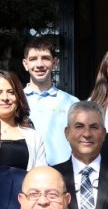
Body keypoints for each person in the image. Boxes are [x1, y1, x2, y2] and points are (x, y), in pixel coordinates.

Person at [21, 37, 79, 165]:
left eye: (45, 58)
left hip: (63, 175)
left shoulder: (71, 103)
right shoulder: (15, 100)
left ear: (55, 63)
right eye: (33, 59)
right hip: (24, 175)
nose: (39, 64)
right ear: (25, 64)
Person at [0, 70, 47, 170]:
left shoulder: (34, 137)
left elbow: (41, 175)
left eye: (11, 92)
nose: (5, 98)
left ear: (18, 98)